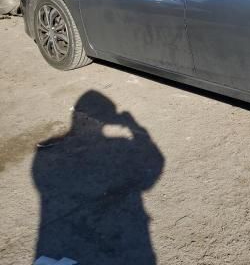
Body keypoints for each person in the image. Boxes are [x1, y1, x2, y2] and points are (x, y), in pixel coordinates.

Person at [32, 90, 164, 264]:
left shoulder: (46, 156)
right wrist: (137, 128)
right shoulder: (117, 146)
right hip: (116, 236)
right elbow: (154, 168)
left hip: (59, 236)